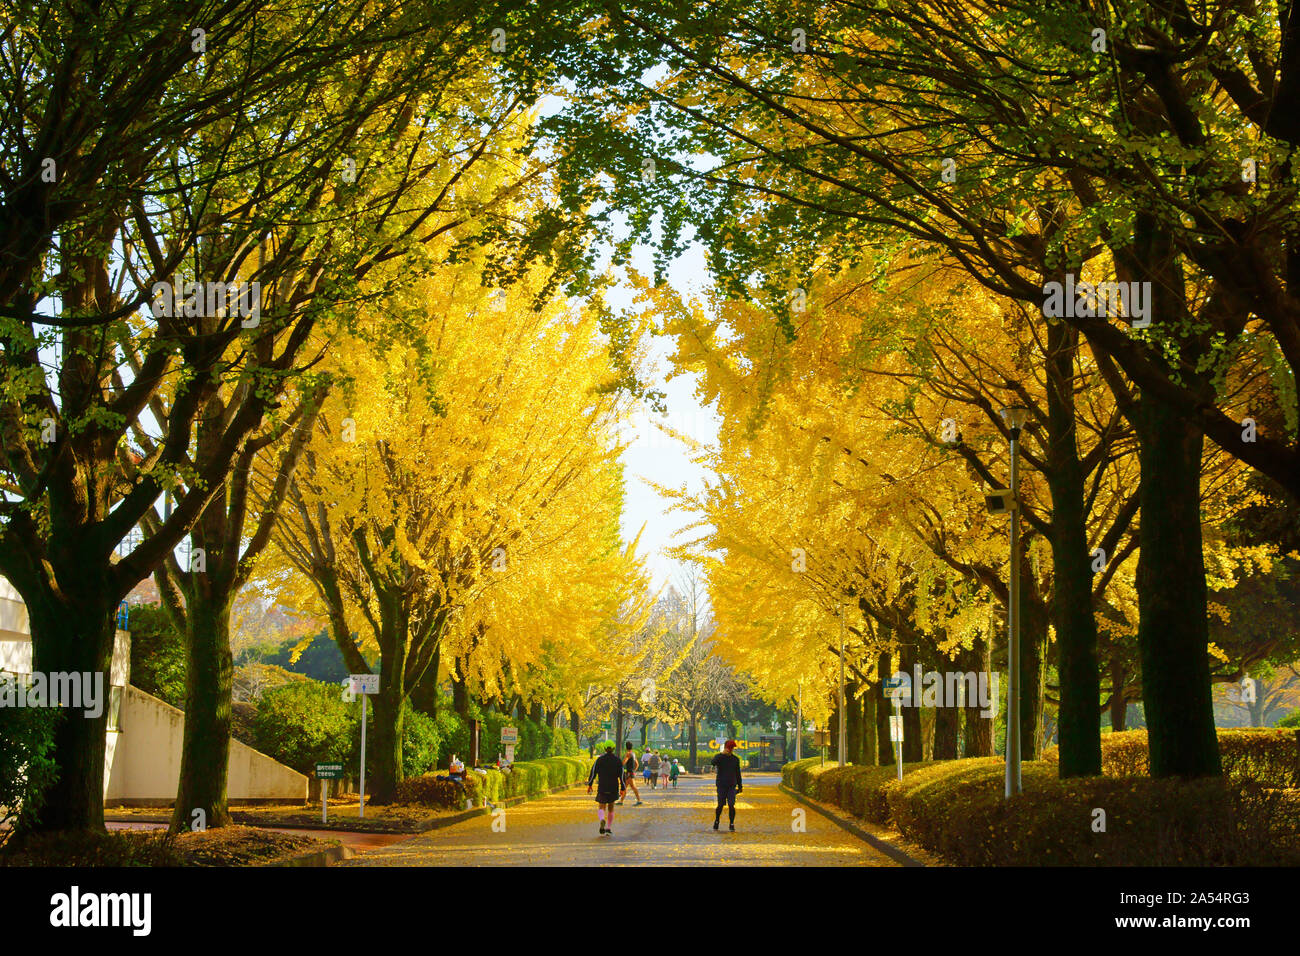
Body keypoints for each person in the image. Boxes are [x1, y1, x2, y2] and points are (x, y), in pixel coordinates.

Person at [587, 744, 627, 836]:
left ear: (605, 748)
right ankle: (608, 828)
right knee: (611, 807)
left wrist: (590, 784)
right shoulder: (617, 761)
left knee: (601, 806)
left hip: (602, 786)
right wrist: (623, 788)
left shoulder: (599, 760)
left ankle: (602, 819)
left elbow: (593, 772)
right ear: (613, 748)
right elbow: (621, 775)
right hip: (613, 787)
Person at [711, 739, 744, 831]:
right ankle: (717, 820)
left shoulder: (735, 759)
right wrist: (721, 754)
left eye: (732, 748)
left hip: (731, 785)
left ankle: (731, 823)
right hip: (721, 784)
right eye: (729, 748)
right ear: (725, 747)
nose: (731, 750)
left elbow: (738, 773)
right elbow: (713, 762)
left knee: (731, 804)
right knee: (720, 804)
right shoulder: (720, 757)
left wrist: (740, 786)